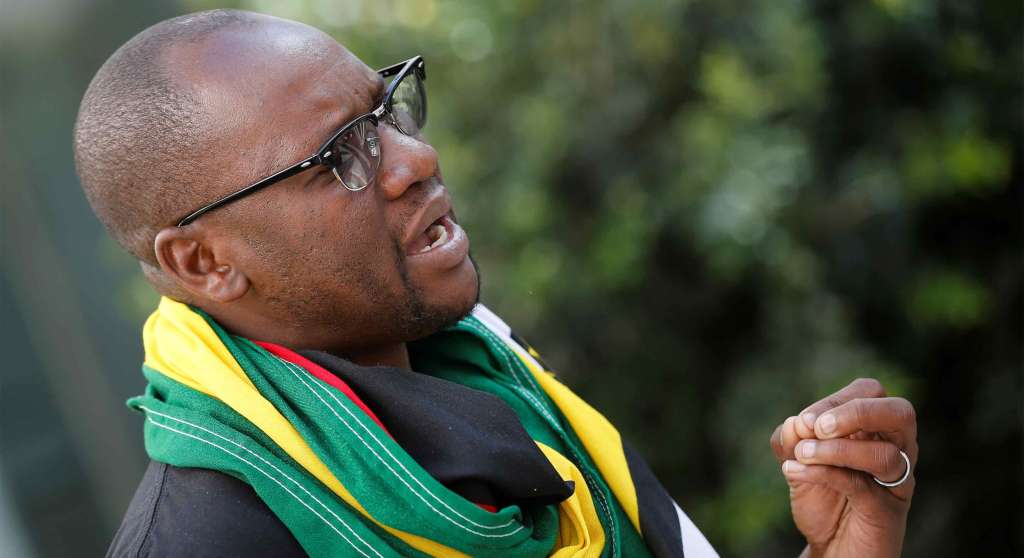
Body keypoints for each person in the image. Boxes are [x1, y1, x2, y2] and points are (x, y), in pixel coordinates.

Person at [73, 9, 918, 558]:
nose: (415, 161)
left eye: (388, 107)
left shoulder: (496, 375)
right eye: (340, 157)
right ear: (203, 262)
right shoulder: (213, 542)